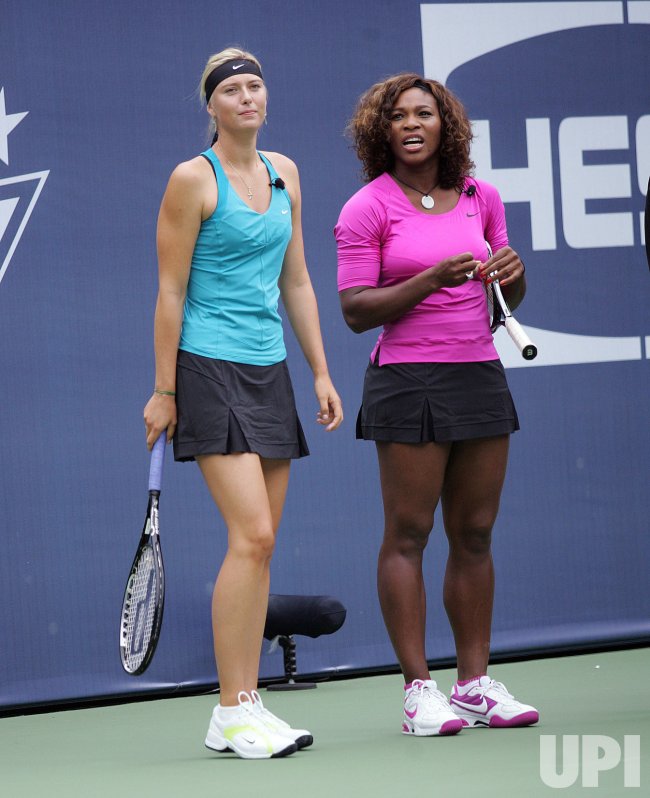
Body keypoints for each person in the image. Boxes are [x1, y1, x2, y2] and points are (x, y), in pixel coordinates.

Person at [143, 47, 343, 760]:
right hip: (206, 365)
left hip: (269, 369)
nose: (247, 97)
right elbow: (169, 291)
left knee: (261, 549)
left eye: (256, 85)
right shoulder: (191, 180)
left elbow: (297, 281)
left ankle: (243, 707)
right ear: (212, 106)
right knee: (251, 536)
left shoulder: (286, 173)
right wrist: (165, 390)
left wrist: (320, 370)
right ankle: (234, 707)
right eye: (232, 89)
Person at [335, 73, 538, 737]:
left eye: (425, 113)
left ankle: (475, 684)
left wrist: (513, 273)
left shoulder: (483, 197)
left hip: (478, 373)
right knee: (409, 533)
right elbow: (355, 311)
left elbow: (506, 300)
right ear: (381, 131)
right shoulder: (367, 207)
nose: (413, 124)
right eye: (399, 117)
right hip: (407, 383)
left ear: (446, 125)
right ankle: (419, 691)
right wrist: (428, 279)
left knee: (475, 532)